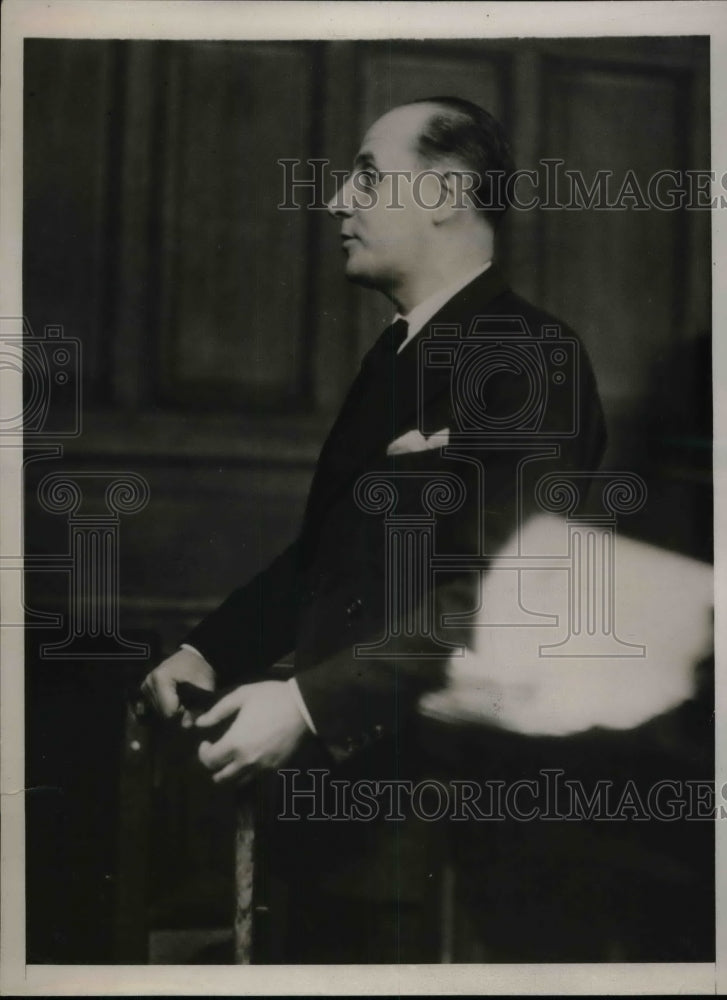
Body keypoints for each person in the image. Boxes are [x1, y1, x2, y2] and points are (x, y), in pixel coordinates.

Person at [141, 96, 607, 962]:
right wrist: (208, 651)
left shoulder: (529, 358)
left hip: (446, 835)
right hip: (345, 819)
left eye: (365, 174)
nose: (334, 201)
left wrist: (311, 705)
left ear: (442, 193)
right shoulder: (395, 354)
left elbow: (510, 600)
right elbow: (327, 560)